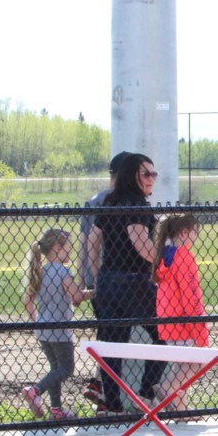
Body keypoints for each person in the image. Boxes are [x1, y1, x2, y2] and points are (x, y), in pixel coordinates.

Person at [88, 152, 168, 415]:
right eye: (146, 173)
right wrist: (163, 264)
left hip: (109, 282)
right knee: (163, 335)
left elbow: (92, 242)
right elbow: (139, 240)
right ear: (131, 175)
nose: (151, 179)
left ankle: (113, 405)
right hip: (134, 281)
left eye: (154, 174)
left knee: (113, 346)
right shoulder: (138, 205)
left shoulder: (111, 202)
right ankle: (144, 394)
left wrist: (100, 274)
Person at [21, 229, 95, 420]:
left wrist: (36, 320)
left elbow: (27, 300)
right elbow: (76, 297)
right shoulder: (63, 272)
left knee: (55, 369)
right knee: (66, 369)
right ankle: (35, 390)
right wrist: (94, 292)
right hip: (60, 330)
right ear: (57, 248)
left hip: (43, 329)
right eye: (68, 249)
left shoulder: (40, 271)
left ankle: (56, 410)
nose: (70, 253)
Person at [77, 151, 129, 409]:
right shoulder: (116, 201)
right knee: (115, 339)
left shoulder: (94, 200)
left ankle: (100, 389)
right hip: (113, 278)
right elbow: (93, 244)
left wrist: (83, 279)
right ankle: (105, 393)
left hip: (97, 280)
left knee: (108, 335)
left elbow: (82, 245)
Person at [152, 213, 208, 415]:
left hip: (167, 321)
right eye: (195, 232)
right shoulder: (183, 255)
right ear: (185, 232)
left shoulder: (165, 254)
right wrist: (199, 327)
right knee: (198, 360)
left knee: (182, 366)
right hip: (184, 322)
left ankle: (181, 411)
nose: (195, 237)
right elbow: (190, 295)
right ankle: (167, 388)